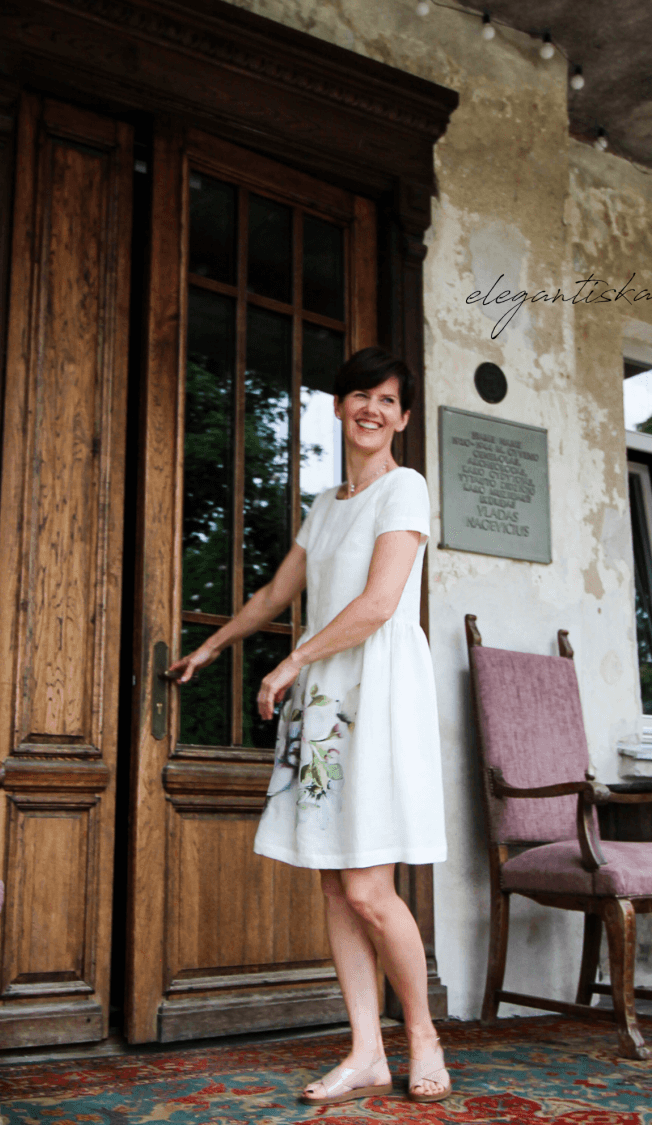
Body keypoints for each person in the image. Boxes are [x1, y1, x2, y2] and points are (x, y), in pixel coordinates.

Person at [168, 346, 449, 1104]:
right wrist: (211, 646)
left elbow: (379, 603)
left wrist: (291, 664)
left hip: (377, 688)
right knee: (333, 881)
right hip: (326, 695)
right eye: (361, 395)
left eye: (389, 401)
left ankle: (422, 1034)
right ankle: (365, 1051)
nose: (373, 409)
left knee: (368, 885)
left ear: (403, 417)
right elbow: (272, 592)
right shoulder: (326, 506)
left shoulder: (406, 489)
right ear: (338, 405)